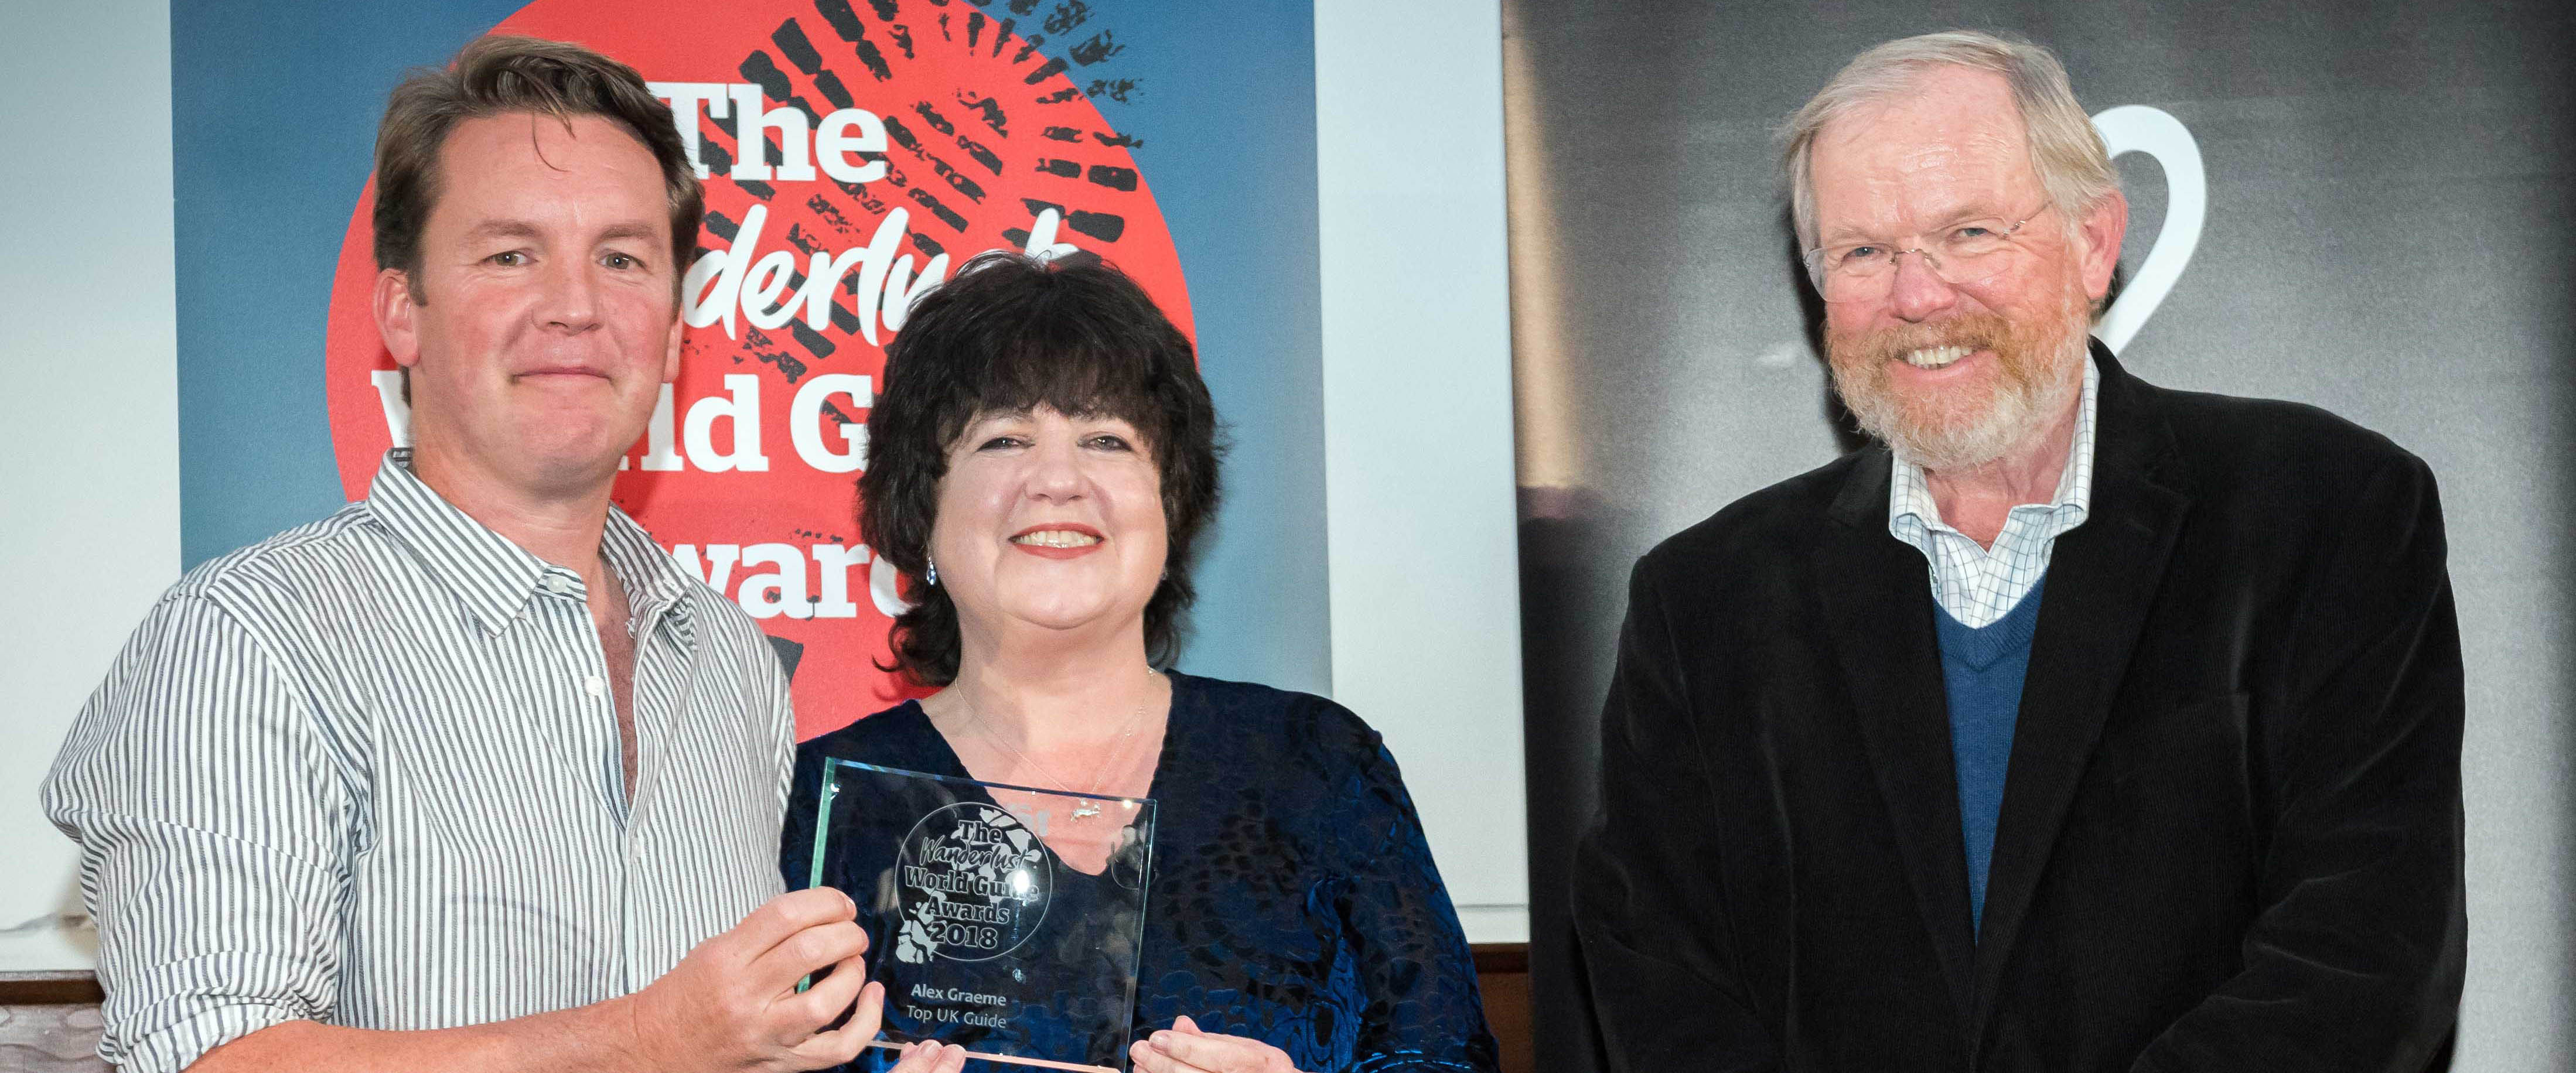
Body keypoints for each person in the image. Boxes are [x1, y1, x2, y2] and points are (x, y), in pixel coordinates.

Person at [1573, 29, 2465, 1072]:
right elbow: (1662, 979)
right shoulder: (1703, 601)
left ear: (2093, 244)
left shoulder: (2326, 511)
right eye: (1863, 252)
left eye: (1967, 231)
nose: (1917, 296)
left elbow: (2363, 948)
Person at [43, 36, 901, 1073]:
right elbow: (214, 1058)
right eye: (510, 254)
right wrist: (648, 1040)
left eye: (623, 259)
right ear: (403, 310)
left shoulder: (723, 655)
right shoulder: (250, 638)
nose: (576, 305)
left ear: (677, 330)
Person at [780, 252, 1500, 1073]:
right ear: (920, 513)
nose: (1057, 480)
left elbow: (1452, 1057)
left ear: (1170, 506)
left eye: (1106, 439)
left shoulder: (1317, 765)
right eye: (1004, 438)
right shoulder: (817, 805)